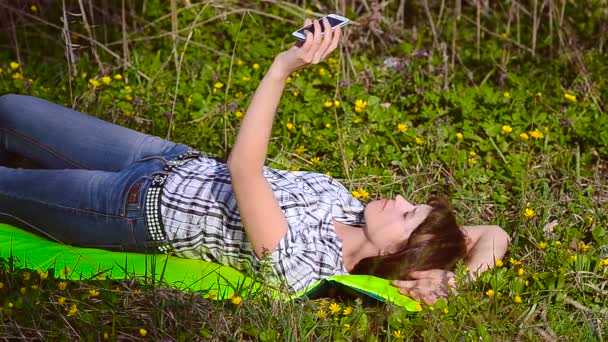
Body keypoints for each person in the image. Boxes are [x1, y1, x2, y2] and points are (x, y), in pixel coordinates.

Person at [0, 18, 510, 305]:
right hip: (165, 158)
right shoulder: (352, 209)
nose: (399, 198)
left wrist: (281, 69)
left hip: (127, 209)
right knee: (12, 111)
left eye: (406, 214)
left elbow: (244, 169)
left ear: (400, 251)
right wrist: (457, 281)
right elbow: (495, 233)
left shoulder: (304, 266)